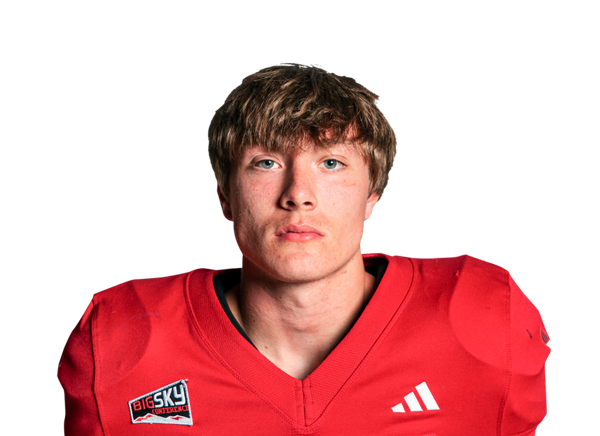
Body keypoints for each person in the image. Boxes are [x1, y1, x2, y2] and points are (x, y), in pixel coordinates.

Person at [58, 63, 551, 435]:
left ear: (373, 194)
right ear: (224, 196)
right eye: (266, 162)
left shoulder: (484, 321)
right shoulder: (120, 342)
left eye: (331, 163)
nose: (298, 194)